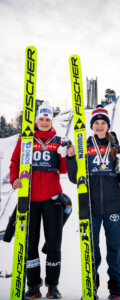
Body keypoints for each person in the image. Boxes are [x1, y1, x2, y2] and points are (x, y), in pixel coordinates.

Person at [66, 105, 120, 300]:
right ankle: (91, 287)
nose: (99, 125)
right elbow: (74, 178)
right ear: (91, 125)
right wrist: (71, 158)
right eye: (96, 122)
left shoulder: (116, 148)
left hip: (114, 206)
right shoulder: (84, 148)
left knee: (114, 250)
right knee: (91, 249)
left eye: (103, 122)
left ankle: (116, 290)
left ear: (108, 125)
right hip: (91, 206)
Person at [10, 101, 71, 299]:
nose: (44, 122)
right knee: (31, 244)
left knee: (54, 244)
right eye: (41, 119)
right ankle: (33, 285)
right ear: (36, 120)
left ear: (51, 121)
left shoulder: (58, 140)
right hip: (30, 199)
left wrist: (66, 155)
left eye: (47, 119)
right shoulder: (26, 140)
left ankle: (52, 286)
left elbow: (63, 169)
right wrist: (15, 180)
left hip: (52, 198)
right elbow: (15, 163)